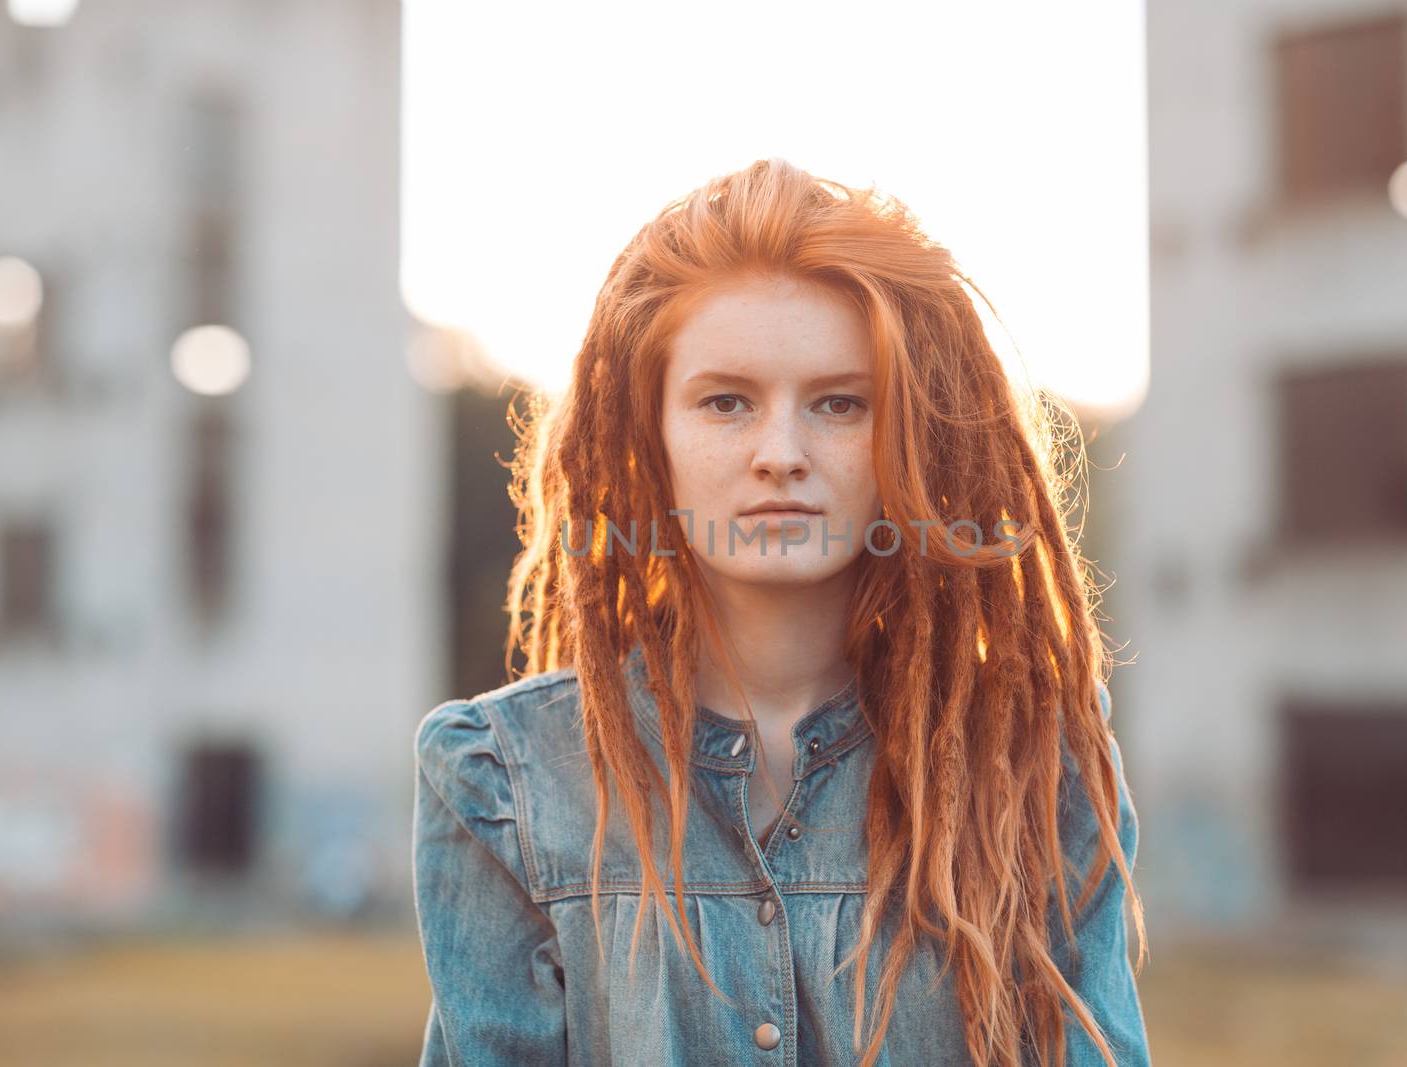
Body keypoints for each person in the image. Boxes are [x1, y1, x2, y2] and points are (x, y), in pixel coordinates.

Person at [412, 158, 1151, 1066]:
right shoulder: (506, 782)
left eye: (841, 403)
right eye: (727, 401)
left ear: (906, 436)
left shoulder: (1033, 755)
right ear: (652, 433)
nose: (782, 453)